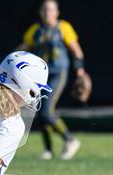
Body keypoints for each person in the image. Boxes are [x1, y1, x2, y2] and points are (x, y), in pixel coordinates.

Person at [16, 0, 87, 160]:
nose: (48, 13)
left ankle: (70, 140)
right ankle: (48, 151)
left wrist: (80, 70)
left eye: (51, 10)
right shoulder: (36, 30)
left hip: (58, 73)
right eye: (45, 9)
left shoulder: (63, 27)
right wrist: (10, 59)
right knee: (41, 112)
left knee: (47, 111)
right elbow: (24, 46)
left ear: (57, 12)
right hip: (40, 76)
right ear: (41, 12)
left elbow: (76, 49)